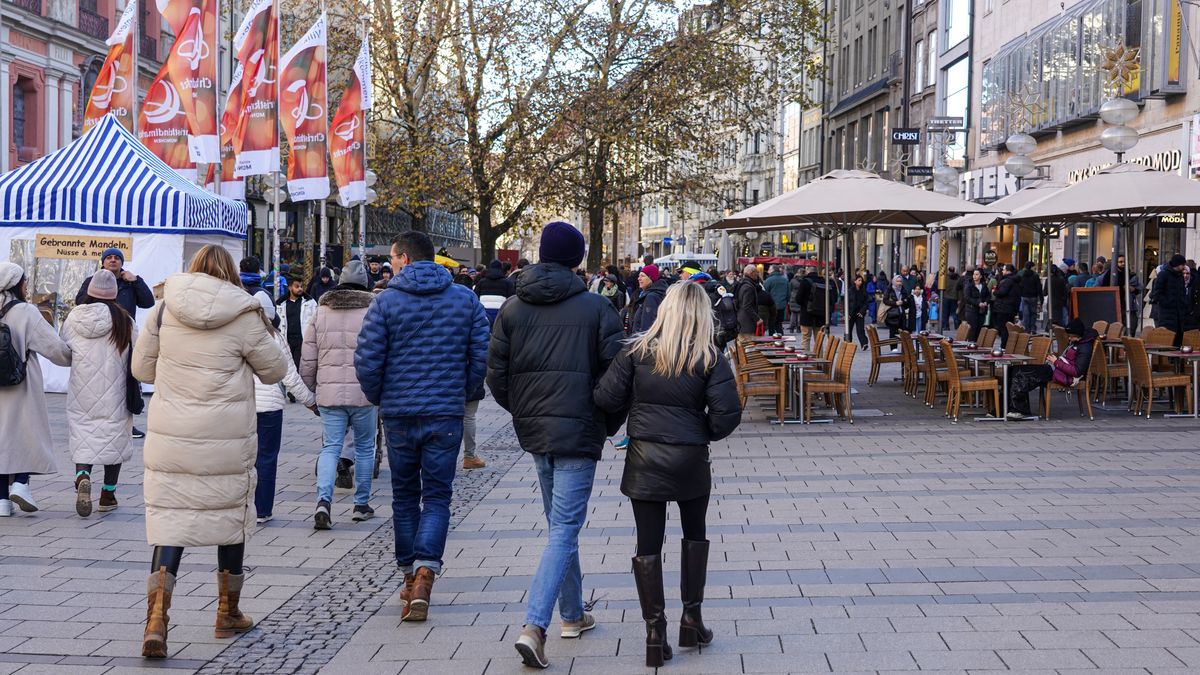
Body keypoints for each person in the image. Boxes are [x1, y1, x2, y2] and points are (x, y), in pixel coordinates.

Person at [131, 244, 289, 658]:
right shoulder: (244, 312)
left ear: (193, 268)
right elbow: (275, 370)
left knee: (170, 524)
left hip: (172, 435)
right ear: (230, 272)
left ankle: (156, 621)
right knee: (229, 519)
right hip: (225, 435)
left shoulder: (164, 309)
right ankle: (227, 611)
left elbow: (141, 369)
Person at [487, 221, 622, 669]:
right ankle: (534, 626)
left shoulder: (512, 308)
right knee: (563, 529)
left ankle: (572, 614)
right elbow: (618, 378)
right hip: (578, 430)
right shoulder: (598, 308)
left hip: (536, 431)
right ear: (577, 259)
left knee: (559, 528)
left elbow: (497, 377)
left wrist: (522, 413)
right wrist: (604, 420)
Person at [594, 282, 741, 668]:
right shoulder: (710, 357)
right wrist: (698, 432)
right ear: (701, 314)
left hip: (644, 455)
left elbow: (606, 398)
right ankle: (691, 619)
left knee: (648, 543)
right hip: (690, 458)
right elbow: (727, 415)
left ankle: (654, 633)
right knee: (695, 533)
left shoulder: (637, 350)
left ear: (666, 310)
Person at [355, 231, 489, 623]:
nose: (391, 265)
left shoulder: (385, 303)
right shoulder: (464, 299)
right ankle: (426, 573)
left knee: (403, 497)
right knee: (437, 497)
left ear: (405, 260)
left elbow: (366, 360)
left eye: (394, 258)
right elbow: (480, 353)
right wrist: (462, 393)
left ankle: (410, 575)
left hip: (399, 413)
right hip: (444, 414)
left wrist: (383, 395)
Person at [303, 259, 378, 529]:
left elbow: (308, 356)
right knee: (365, 447)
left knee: (331, 446)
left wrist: (310, 389)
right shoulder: (373, 310)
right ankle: (361, 504)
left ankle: (323, 501)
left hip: (330, 393)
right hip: (365, 392)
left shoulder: (321, 311)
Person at [62, 270, 138, 517]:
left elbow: (64, 348)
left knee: (83, 435)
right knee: (113, 440)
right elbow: (138, 352)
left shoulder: (74, 318)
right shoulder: (124, 319)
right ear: (114, 294)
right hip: (115, 390)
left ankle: (82, 476)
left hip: (82, 390)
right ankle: (108, 494)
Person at [0, 263, 72, 516]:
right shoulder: (26, 312)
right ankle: (21, 482)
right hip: (22, 381)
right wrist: (72, 353)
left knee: (2, 437)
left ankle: (1, 501)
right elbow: (56, 350)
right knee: (26, 433)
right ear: (17, 284)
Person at [76, 248, 153, 439]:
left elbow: (148, 302)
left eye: (116, 258)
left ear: (121, 262)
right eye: (108, 258)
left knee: (125, 383)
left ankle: (127, 424)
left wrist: (136, 281)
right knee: (101, 383)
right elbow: (80, 302)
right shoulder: (92, 281)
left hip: (123, 341)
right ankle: (97, 422)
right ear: (102, 262)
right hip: (100, 340)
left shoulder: (129, 283)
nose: (112, 260)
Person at [252, 300, 315, 525]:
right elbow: (290, 376)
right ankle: (263, 510)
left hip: (243, 406)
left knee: (242, 458)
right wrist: (310, 401)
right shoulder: (275, 337)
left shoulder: (238, 334)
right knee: (267, 458)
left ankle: (241, 506)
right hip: (270, 407)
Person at [1005, 319, 1097, 420]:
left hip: (1059, 373)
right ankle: (1006, 407)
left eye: (1072, 336)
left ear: (1078, 334)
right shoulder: (1077, 342)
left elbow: (1076, 371)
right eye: (1069, 336)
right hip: (1055, 369)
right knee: (1013, 369)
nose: (1069, 338)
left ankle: (1018, 410)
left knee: (1021, 373)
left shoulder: (1085, 347)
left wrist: (1056, 362)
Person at [278, 276, 316, 370]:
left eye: (301, 286)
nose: (300, 289)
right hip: (287, 342)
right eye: (297, 286)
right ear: (290, 287)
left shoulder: (310, 303)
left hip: (303, 341)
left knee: (301, 369)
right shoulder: (281, 305)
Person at [1152, 254, 1191, 346]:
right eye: (1182, 265)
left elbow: (1182, 293)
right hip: (1167, 316)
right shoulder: (1163, 275)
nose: (1184, 267)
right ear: (1177, 264)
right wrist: (1168, 302)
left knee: (1178, 342)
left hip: (1179, 317)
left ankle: (1176, 360)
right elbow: (1157, 294)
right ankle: (1168, 360)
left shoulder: (1179, 276)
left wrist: (1184, 305)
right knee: (1167, 342)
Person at [1100, 254, 1142, 334]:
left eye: (1124, 261)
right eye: (1120, 262)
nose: (1123, 263)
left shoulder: (1130, 274)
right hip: (1116, 304)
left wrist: (1133, 289)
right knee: (1118, 326)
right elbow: (1104, 288)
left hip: (1129, 304)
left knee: (1132, 323)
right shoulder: (1110, 274)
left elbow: (1137, 288)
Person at [475, 259, 517, 323]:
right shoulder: (507, 283)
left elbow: (475, 298)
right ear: (501, 268)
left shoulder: (481, 282)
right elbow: (512, 299)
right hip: (501, 313)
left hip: (484, 312)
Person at [631, 264, 668, 335]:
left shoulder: (651, 297)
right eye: (639, 276)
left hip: (644, 340)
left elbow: (647, 325)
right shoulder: (652, 293)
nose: (639, 278)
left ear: (651, 278)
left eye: (642, 276)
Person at [990, 264, 1020, 347]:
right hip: (1011, 308)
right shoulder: (1015, 280)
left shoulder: (1007, 281)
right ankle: (1007, 346)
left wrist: (994, 291)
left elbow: (1002, 292)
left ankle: (1004, 346)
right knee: (1008, 328)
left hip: (1003, 308)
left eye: (1003, 270)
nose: (1002, 271)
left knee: (1004, 329)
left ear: (1007, 271)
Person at [880, 275, 911, 347]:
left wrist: (903, 301)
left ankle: (904, 350)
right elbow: (885, 300)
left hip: (901, 314)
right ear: (894, 281)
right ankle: (893, 348)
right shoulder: (889, 289)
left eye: (900, 281)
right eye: (897, 281)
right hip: (892, 314)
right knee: (893, 333)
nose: (899, 283)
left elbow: (906, 300)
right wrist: (895, 303)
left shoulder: (903, 289)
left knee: (903, 332)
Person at [734, 264, 763, 341]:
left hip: (742, 322)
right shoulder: (748, 287)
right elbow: (747, 306)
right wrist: (757, 319)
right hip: (747, 324)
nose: (757, 274)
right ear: (751, 273)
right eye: (756, 272)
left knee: (743, 348)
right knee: (749, 349)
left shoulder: (743, 283)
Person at [963, 269, 991, 342]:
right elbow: (967, 298)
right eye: (974, 274)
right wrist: (978, 303)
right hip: (971, 310)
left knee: (979, 329)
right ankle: (971, 346)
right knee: (972, 330)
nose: (974, 276)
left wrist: (986, 302)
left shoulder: (984, 285)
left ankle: (977, 346)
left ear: (981, 276)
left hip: (981, 311)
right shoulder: (969, 285)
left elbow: (988, 295)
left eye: (977, 274)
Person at [762, 265, 789, 335]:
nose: (768, 271)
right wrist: (786, 302)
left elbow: (765, 293)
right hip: (782, 305)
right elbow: (788, 293)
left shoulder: (769, 280)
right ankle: (781, 339)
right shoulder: (785, 280)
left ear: (773, 270)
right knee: (779, 323)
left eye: (769, 269)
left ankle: (772, 340)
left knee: (771, 324)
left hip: (771, 305)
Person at [1018, 262, 1042, 333]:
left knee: (1026, 313)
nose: (1035, 268)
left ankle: (1027, 328)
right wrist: (1041, 298)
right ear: (1031, 267)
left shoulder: (1023, 275)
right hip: (1033, 297)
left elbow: (1020, 286)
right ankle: (1032, 328)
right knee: (1033, 313)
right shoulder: (1035, 276)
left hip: (1024, 296)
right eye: (1034, 267)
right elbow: (1039, 287)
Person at [846, 275, 870, 349]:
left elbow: (866, 303)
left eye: (861, 280)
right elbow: (846, 303)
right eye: (859, 280)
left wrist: (862, 312)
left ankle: (864, 344)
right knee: (849, 329)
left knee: (860, 330)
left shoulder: (863, 291)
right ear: (855, 281)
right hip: (851, 313)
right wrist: (847, 313)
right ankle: (848, 343)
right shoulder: (850, 291)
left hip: (859, 313)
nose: (860, 282)